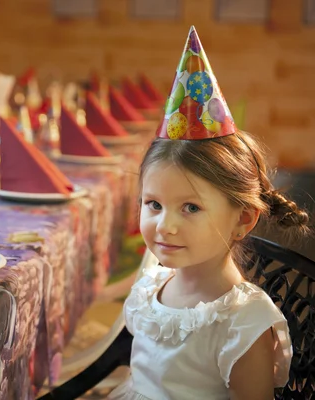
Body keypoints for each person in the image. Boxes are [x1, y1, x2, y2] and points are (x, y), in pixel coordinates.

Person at [109, 26, 309, 400]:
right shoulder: (152, 288)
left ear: (243, 219)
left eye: (190, 208)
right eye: (153, 204)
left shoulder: (242, 323)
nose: (164, 225)